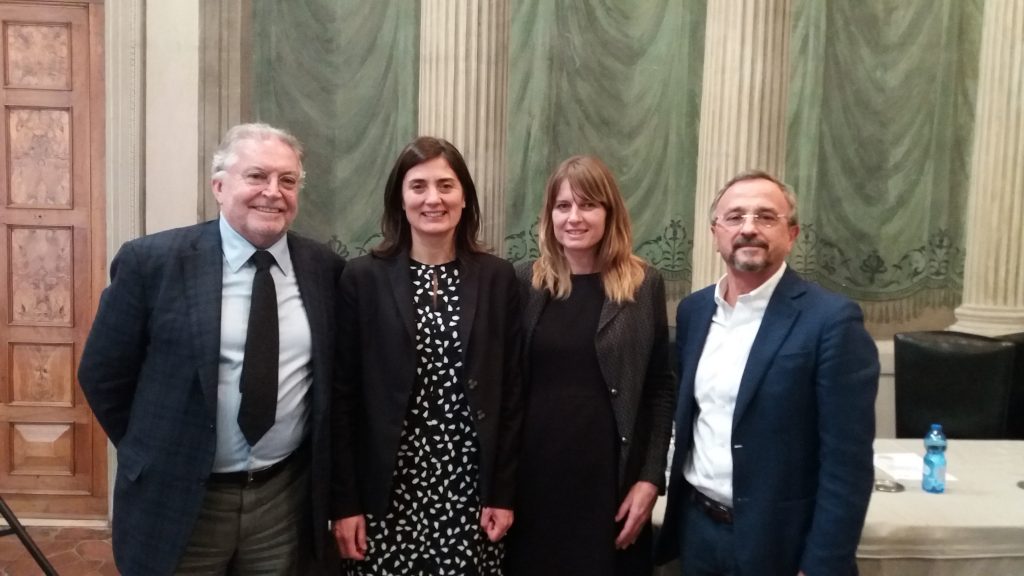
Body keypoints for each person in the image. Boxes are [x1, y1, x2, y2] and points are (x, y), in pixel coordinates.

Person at [78, 123, 344, 575]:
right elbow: (104, 375)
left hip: (283, 501)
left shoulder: (324, 268)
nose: (272, 192)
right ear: (219, 186)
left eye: (287, 180)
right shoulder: (153, 262)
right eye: (257, 176)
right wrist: (156, 450)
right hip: (182, 500)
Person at [655, 170, 879, 575]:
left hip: (781, 544)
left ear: (791, 234)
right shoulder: (694, 311)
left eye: (766, 217)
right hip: (698, 533)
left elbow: (847, 465)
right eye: (735, 217)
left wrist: (822, 565)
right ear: (715, 231)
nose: (748, 229)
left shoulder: (831, 321)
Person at [330, 136, 523, 575]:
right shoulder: (362, 280)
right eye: (418, 186)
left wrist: (502, 493)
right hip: (385, 493)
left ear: (464, 197)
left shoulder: (497, 279)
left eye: (446, 185)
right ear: (400, 199)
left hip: (469, 491)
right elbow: (342, 401)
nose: (432, 199)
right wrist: (346, 503)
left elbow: (511, 394)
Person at [504, 155, 675, 576]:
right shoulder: (524, 280)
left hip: (609, 481)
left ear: (609, 212)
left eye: (588, 205)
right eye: (563, 206)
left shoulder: (643, 283)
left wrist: (650, 480)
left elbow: (659, 388)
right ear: (549, 215)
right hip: (534, 480)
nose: (574, 218)